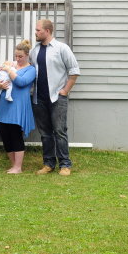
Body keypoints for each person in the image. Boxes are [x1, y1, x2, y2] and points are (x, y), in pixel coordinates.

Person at [30, 19, 80, 176]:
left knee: (59, 131)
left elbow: (74, 70)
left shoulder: (61, 48)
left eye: (38, 30)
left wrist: (65, 91)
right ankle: (48, 164)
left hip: (57, 98)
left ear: (47, 31)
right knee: (45, 133)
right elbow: (28, 70)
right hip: (39, 98)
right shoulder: (34, 51)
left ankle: (65, 165)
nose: (36, 33)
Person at [0, 40, 36, 174]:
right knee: (5, 135)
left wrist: (9, 70)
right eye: (16, 56)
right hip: (4, 106)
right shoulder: (10, 65)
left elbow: (21, 82)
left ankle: (18, 167)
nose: (17, 59)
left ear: (27, 55)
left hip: (18, 107)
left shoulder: (31, 69)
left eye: (20, 56)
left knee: (16, 135)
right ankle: (13, 165)